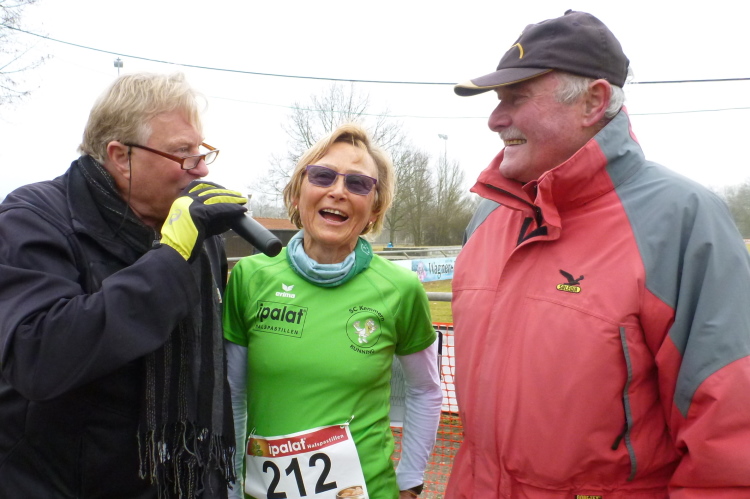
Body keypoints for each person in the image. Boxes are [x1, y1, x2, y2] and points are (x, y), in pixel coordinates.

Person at [446, 10, 750, 498]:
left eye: (515, 98)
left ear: (594, 101)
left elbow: (730, 439)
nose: (494, 119)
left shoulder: (683, 220)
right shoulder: (488, 215)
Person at [0, 72, 248, 498]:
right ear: (121, 157)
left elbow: (204, 380)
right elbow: (37, 356)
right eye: (183, 153)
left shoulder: (196, 235)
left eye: (201, 151)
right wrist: (171, 258)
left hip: (175, 485)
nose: (201, 168)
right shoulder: (33, 218)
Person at [223, 123, 442, 499]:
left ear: (374, 208)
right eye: (322, 176)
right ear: (297, 194)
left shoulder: (402, 289)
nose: (338, 191)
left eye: (358, 183)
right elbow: (233, 393)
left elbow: (425, 389)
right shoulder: (249, 277)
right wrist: (230, 485)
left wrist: (410, 481)